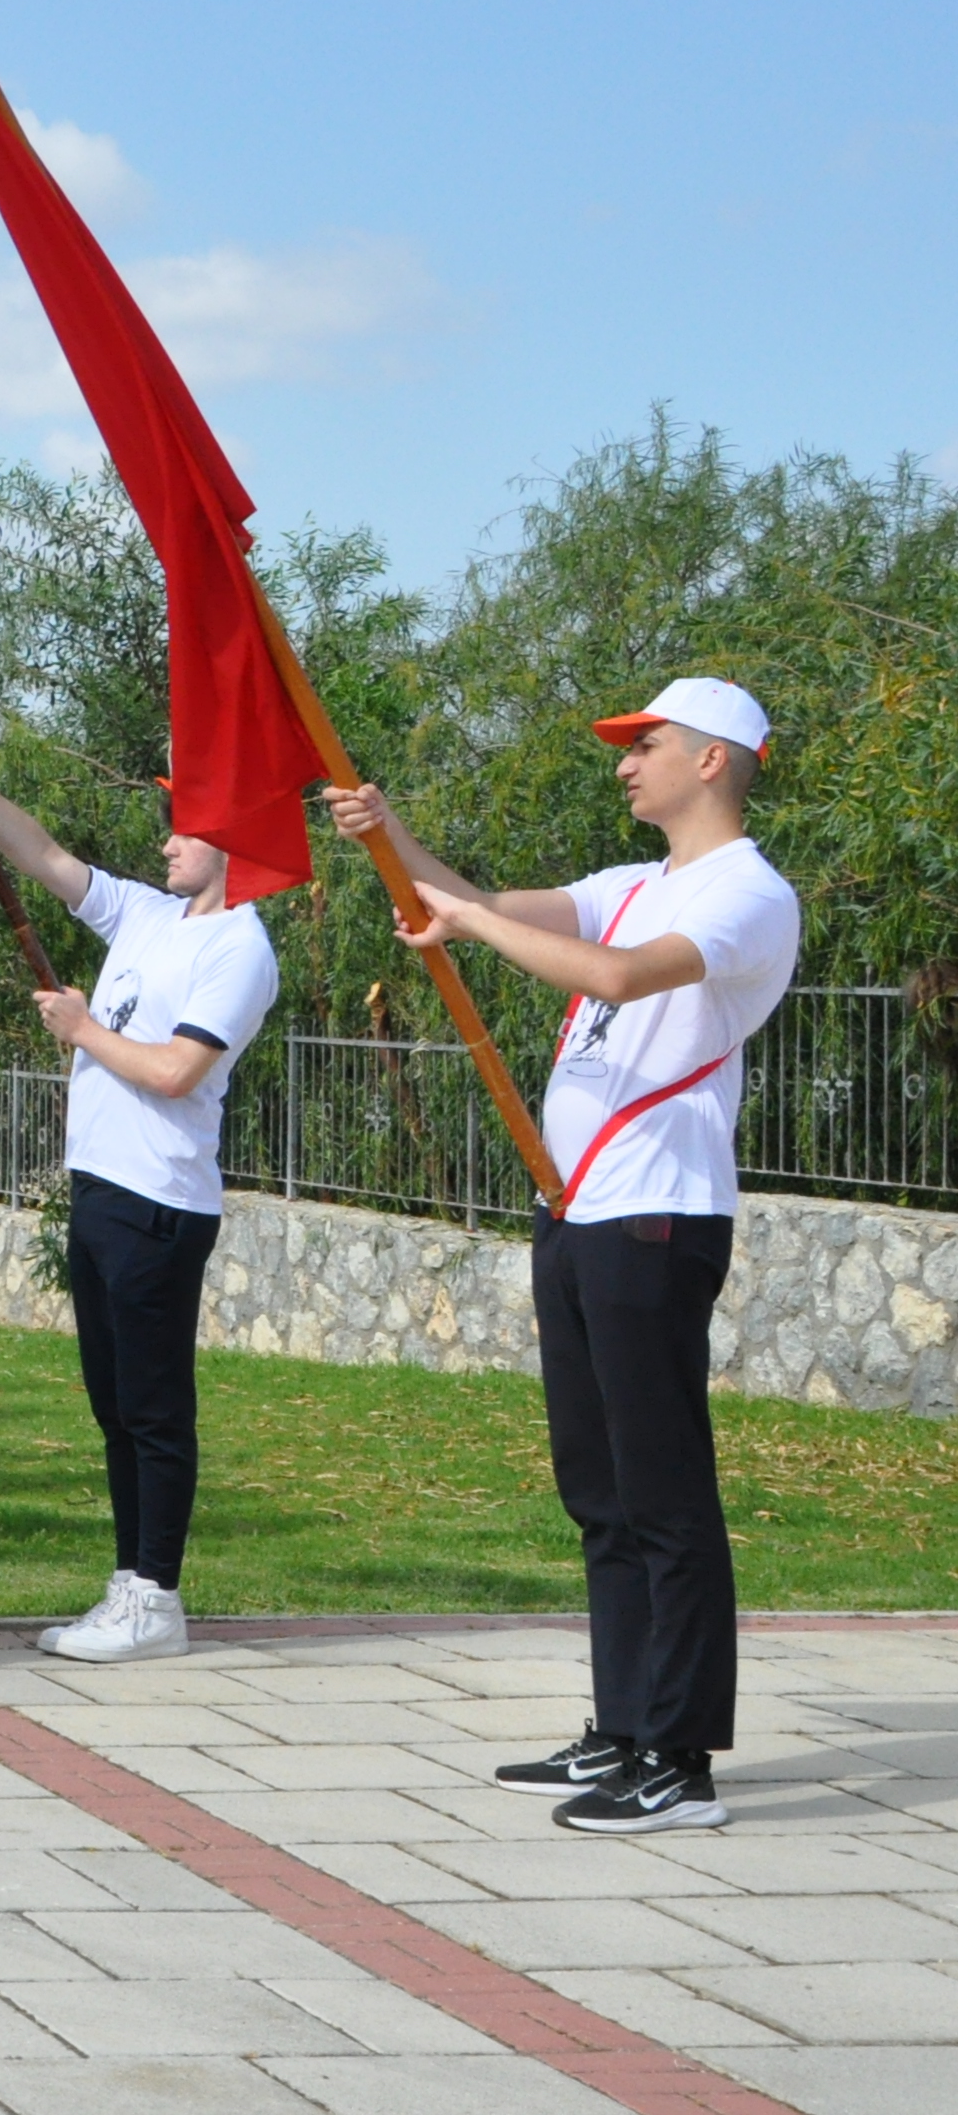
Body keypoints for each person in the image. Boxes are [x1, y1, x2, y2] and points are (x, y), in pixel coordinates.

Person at [325, 678, 800, 1835]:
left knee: (663, 1492)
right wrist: (388, 833)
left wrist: (470, 926)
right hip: (576, 1210)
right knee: (598, 1489)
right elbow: (479, 900)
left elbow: (618, 976)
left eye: (645, 744)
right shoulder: (630, 882)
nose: (624, 762)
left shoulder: (747, 891)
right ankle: (623, 1724)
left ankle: (679, 1759)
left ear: (712, 759)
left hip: (656, 1217)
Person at [0, 733, 282, 1662]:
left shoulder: (240, 948)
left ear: (232, 839)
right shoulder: (151, 915)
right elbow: (42, 855)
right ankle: (131, 1580)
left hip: (159, 1200)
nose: (167, 841)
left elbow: (178, 1070)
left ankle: (158, 1596)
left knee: (154, 1408)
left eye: (185, 827)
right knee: (114, 1405)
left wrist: (82, 1029)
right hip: (101, 1190)